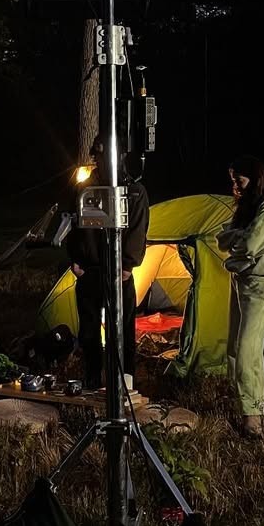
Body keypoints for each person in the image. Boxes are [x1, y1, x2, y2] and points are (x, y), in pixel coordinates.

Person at [217, 155, 264, 440]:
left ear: (255, 177)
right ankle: (251, 410)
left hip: (261, 282)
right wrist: (239, 240)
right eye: (233, 179)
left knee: (248, 348)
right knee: (236, 349)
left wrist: (239, 241)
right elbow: (222, 238)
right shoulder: (249, 205)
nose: (235, 184)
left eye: (240, 179)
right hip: (241, 280)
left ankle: (253, 421)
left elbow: (249, 243)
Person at [65, 153, 149, 390]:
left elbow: (138, 228)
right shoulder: (84, 189)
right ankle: (92, 380)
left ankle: (124, 384)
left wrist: (127, 265)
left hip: (118, 273)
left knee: (121, 332)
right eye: (99, 156)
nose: (103, 161)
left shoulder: (133, 191)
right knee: (89, 331)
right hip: (89, 270)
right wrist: (74, 259)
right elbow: (72, 222)